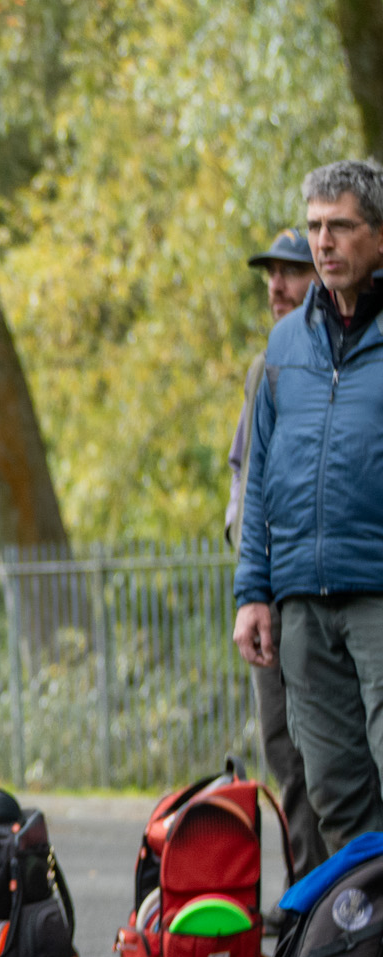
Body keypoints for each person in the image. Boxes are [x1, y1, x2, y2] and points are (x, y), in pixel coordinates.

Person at [235, 159, 383, 855]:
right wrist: (253, 594)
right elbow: (260, 475)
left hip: (376, 596)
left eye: (341, 227)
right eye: (316, 226)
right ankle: (362, 951)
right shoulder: (284, 346)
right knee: (332, 791)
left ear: (378, 237)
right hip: (301, 605)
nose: (324, 243)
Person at [226, 228, 327, 883]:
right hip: (270, 588)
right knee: (283, 748)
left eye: (291, 272)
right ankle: (305, 895)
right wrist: (250, 585)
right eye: (271, 274)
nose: (277, 286)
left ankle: (343, 899)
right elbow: (247, 486)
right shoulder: (267, 366)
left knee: (337, 757)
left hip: (329, 591)